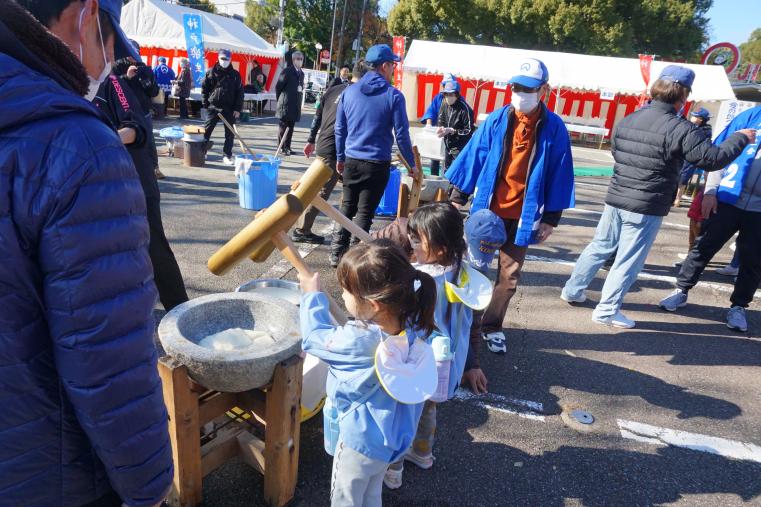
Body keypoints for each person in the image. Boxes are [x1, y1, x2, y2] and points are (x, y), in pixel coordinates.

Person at [1, 1, 173, 505]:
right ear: (85, 15)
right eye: (109, 40)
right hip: (54, 473)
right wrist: (151, 484)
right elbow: (108, 363)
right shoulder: (77, 146)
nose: (109, 59)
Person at [561, 66, 753, 329]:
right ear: (683, 95)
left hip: (617, 196)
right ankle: (606, 309)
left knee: (599, 246)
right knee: (628, 258)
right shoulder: (680, 128)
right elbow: (712, 159)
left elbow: (617, 151)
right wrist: (739, 138)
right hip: (646, 203)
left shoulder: (630, 118)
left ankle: (573, 290)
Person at [447, 58, 575, 354]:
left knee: (509, 278)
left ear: (544, 89)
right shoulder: (496, 119)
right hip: (487, 211)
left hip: (523, 215)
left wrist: (551, 218)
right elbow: (475, 156)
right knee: (473, 270)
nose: (520, 93)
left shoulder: (554, 128)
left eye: (528, 89)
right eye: (516, 87)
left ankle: (491, 326)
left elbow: (560, 171)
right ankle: (464, 322)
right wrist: (457, 198)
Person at [299, 241, 437, 506]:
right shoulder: (414, 323)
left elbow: (314, 337)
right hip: (392, 439)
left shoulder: (359, 342)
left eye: (345, 291)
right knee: (372, 492)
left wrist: (312, 296)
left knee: (347, 497)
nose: (340, 296)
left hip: (359, 444)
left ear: (374, 304)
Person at [384, 203, 473, 490]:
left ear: (442, 247)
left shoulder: (422, 281)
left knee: (404, 414)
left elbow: (405, 321)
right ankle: (423, 453)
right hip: (446, 360)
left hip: (419, 360)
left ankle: (394, 468)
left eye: (417, 239)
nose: (411, 243)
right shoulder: (462, 270)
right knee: (428, 408)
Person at [659, 106, 761, 332]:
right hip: (727, 197)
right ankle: (681, 290)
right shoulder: (750, 116)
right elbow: (720, 153)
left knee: (753, 261)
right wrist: (711, 191)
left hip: (758, 211)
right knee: (703, 247)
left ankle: (739, 307)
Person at [95, 71, 190, 311]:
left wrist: (96, 141)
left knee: (154, 246)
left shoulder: (111, 82)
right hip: (96, 186)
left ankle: (181, 313)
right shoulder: (61, 86)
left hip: (134, 179)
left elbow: (135, 128)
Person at [331, 44, 418, 267]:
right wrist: (411, 165)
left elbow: (340, 129)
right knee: (365, 212)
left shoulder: (348, 91)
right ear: (384, 66)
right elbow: (401, 134)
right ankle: (353, 258)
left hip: (351, 160)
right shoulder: (393, 96)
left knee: (347, 206)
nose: (394, 70)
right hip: (377, 162)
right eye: (393, 65)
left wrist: (340, 157)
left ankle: (336, 252)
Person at [295, 60, 367, 244]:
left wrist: (311, 140)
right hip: (336, 149)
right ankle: (302, 229)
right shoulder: (357, 94)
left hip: (324, 144)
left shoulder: (334, 89)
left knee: (321, 188)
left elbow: (317, 115)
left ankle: (340, 229)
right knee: (321, 191)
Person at [202, 48, 244, 166]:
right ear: (218, 58)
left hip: (229, 108)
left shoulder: (235, 75)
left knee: (229, 134)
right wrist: (206, 104)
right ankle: (202, 151)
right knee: (207, 131)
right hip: (213, 107)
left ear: (231, 60)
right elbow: (204, 89)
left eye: (227, 59)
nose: (224, 61)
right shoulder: (210, 72)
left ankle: (227, 155)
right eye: (222, 58)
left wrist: (237, 109)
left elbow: (240, 93)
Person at [674, 108, 713, 206]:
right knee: (675, 175)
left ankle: (677, 199)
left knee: (683, 178)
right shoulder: (689, 125)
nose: (692, 117)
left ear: (701, 119)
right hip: (681, 155)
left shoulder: (706, 129)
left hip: (692, 157)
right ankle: (673, 197)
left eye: (695, 116)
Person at [421, 73, 457, 176]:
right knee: (435, 157)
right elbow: (431, 111)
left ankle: (448, 183)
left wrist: (452, 130)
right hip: (438, 132)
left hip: (451, 135)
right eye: (445, 85)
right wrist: (429, 125)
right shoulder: (438, 98)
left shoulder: (458, 100)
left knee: (449, 160)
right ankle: (434, 179)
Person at [436, 77, 474, 169]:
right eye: (446, 94)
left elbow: (469, 130)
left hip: (460, 147)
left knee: (457, 171)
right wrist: (440, 128)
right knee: (446, 170)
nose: (448, 97)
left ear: (457, 95)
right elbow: (441, 119)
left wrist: (453, 131)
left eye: (451, 94)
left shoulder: (465, 109)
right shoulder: (444, 103)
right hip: (447, 145)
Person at [276, 50, 305, 156]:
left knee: (291, 127)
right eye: (298, 59)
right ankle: (281, 147)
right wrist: (280, 99)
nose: (300, 61)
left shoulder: (301, 73)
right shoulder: (287, 71)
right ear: (293, 60)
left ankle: (288, 146)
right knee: (283, 127)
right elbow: (278, 87)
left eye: (301, 59)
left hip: (295, 104)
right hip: (285, 103)